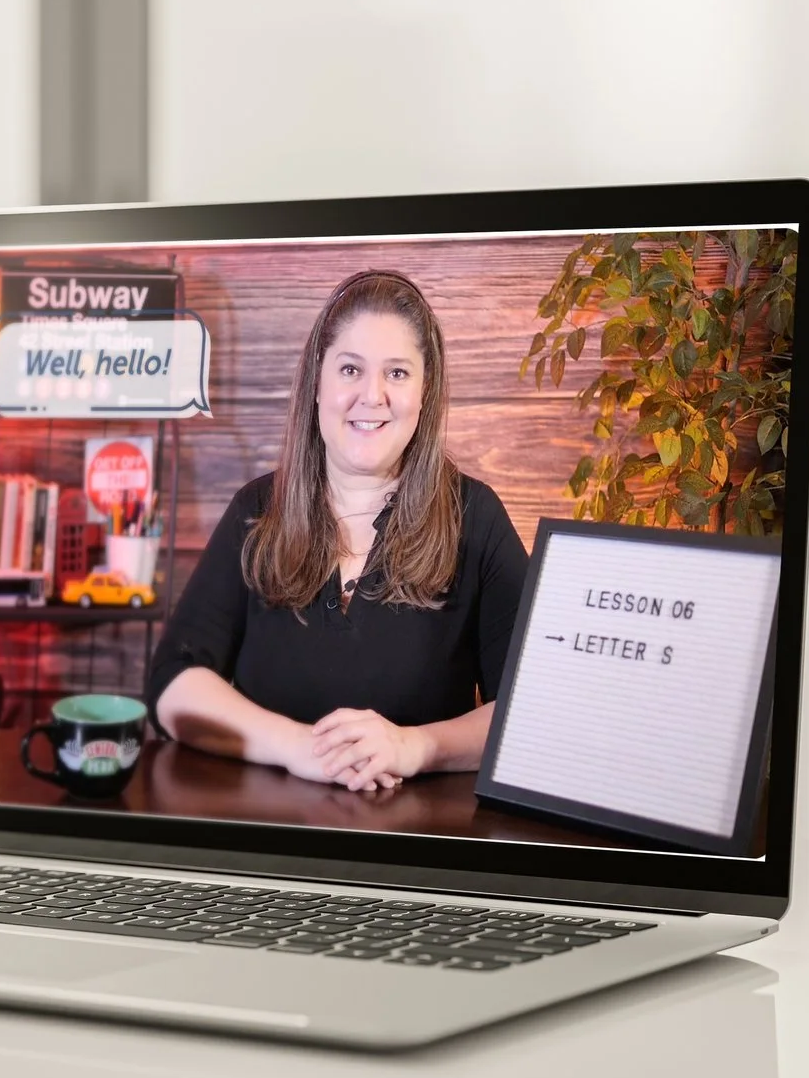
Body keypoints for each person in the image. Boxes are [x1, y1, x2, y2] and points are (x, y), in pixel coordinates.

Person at [144, 269, 526, 792]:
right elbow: (173, 683)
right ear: (317, 384)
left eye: (397, 373)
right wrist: (298, 748)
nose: (372, 395)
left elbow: (529, 712)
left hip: (417, 839)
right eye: (350, 369)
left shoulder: (475, 516)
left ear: (425, 393)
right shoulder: (258, 510)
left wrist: (414, 747)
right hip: (264, 835)